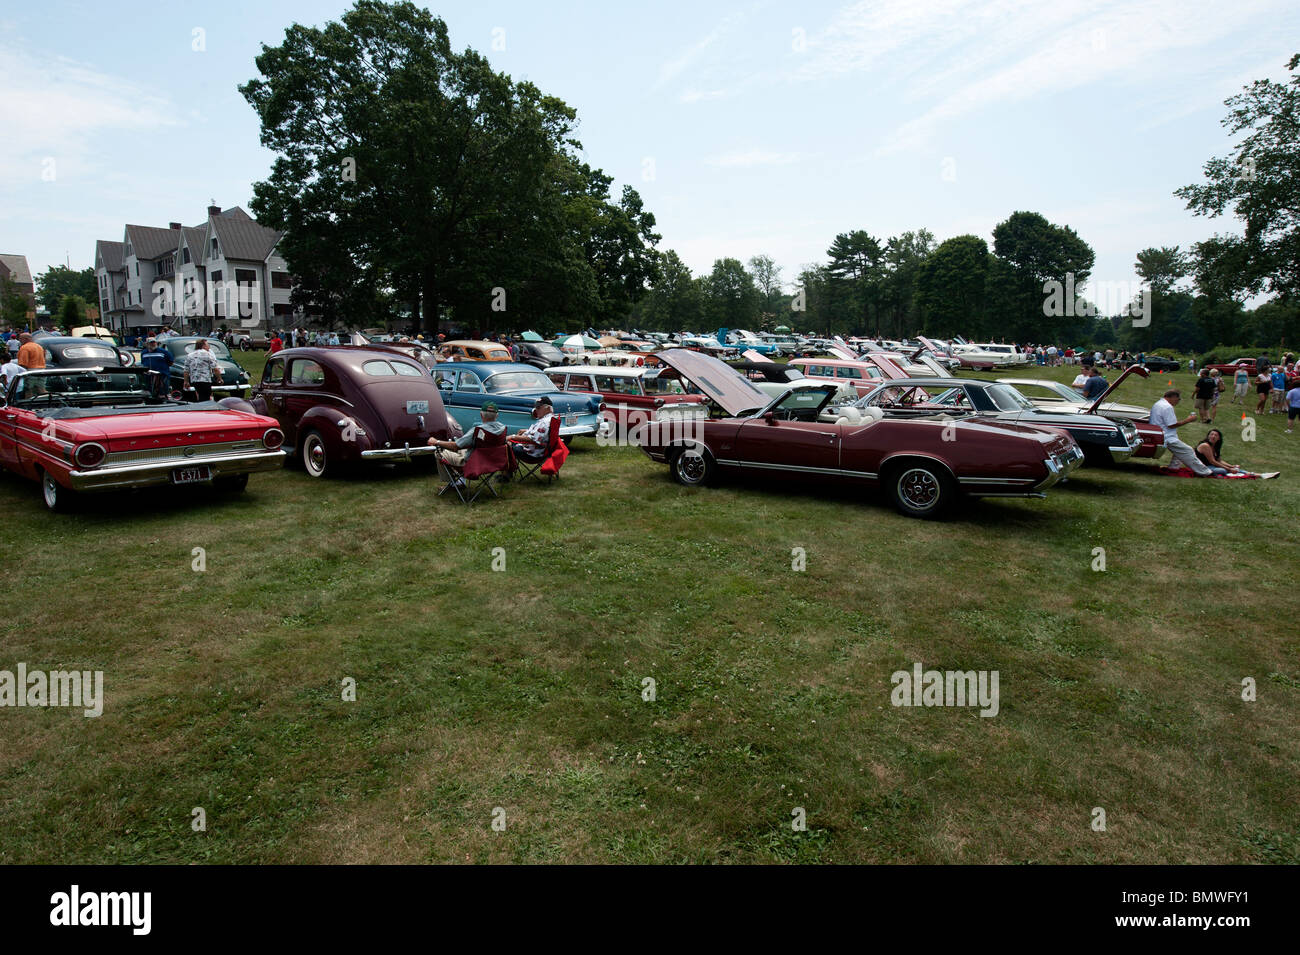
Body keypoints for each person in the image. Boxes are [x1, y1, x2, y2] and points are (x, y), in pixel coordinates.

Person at [1151, 389, 1212, 476]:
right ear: (1173, 397)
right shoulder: (1167, 407)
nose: (1178, 401)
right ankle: (1205, 472)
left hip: (1159, 433)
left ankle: (1173, 468)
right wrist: (1188, 420)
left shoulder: (1158, 404)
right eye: (1178, 399)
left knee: (1179, 452)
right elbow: (1171, 425)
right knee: (1188, 450)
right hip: (1166, 436)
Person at [427, 401, 507, 467]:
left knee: (439, 452)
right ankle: (460, 480)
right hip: (492, 462)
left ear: (481, 415)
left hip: (474, 463)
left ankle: (456, 483)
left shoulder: (477, 430)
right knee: (463, 449)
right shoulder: (502, 428)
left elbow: (455, 446)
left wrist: (436, 442)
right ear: (497, 416)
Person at [1195, 429, 1268, 477]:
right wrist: (1229, 469)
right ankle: (1251, 474)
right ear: (1208, 436)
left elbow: (1219, 460)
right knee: (1223, 470)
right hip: (1202, 467)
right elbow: (1213, 461)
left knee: (1232, 469)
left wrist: (1231, 466)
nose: (1213, 436)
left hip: (1211, 466)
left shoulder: (1215, 447)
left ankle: (1259, 475)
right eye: (1211, 434)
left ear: (1219, 438)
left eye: (1216, 435)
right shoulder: (1205, 445)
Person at [183, 338, 221, 402]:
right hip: (205, 380)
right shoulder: (208, 354)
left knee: (199, 395)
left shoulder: (190, 355)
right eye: (207, 345)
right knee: (206, 398)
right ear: (203, 346)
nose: (209, 346)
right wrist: (219, 378)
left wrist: (186, 381)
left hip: (195, 380)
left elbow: (186, 370)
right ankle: (205, 409)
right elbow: (215, 368)